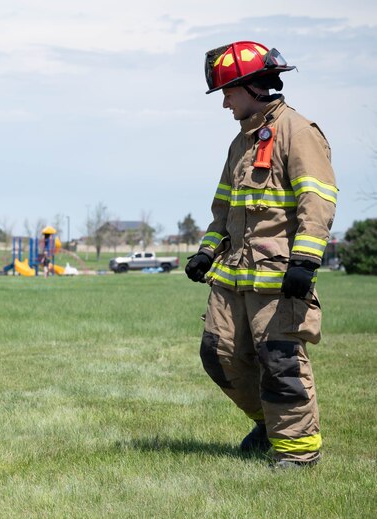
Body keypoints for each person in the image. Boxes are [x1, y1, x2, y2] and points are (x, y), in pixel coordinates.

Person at [185, 41, 338, 468]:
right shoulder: (241, 143)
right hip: (232, 277)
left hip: (279, 280)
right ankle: (270, 425)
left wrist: (305, 261)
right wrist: (206, 252)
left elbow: (318, 200)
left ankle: (298, 452)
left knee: (281, 364)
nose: (225, 104)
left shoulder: (298, 132)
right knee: (218, 355)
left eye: (228, 94)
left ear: (252, 87)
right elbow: (224, 210)